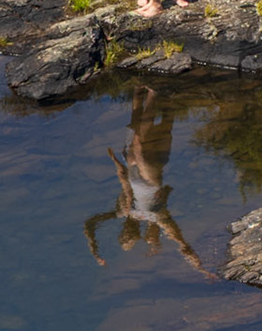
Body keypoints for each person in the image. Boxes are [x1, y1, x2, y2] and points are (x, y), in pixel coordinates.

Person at [83, 85, 201, 271]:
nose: (127, 236)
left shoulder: (123, 212)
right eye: (129, 239)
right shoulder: (152, 218)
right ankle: (166, 94)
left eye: (123, 238)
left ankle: (150, 92)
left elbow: (91, 223)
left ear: (121, 232)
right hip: (149, 178)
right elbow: (179, 240)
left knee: (137, 136)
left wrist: (95, 252)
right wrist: (199, 266)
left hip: (136, 173)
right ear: (136, 236)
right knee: (163, 127)